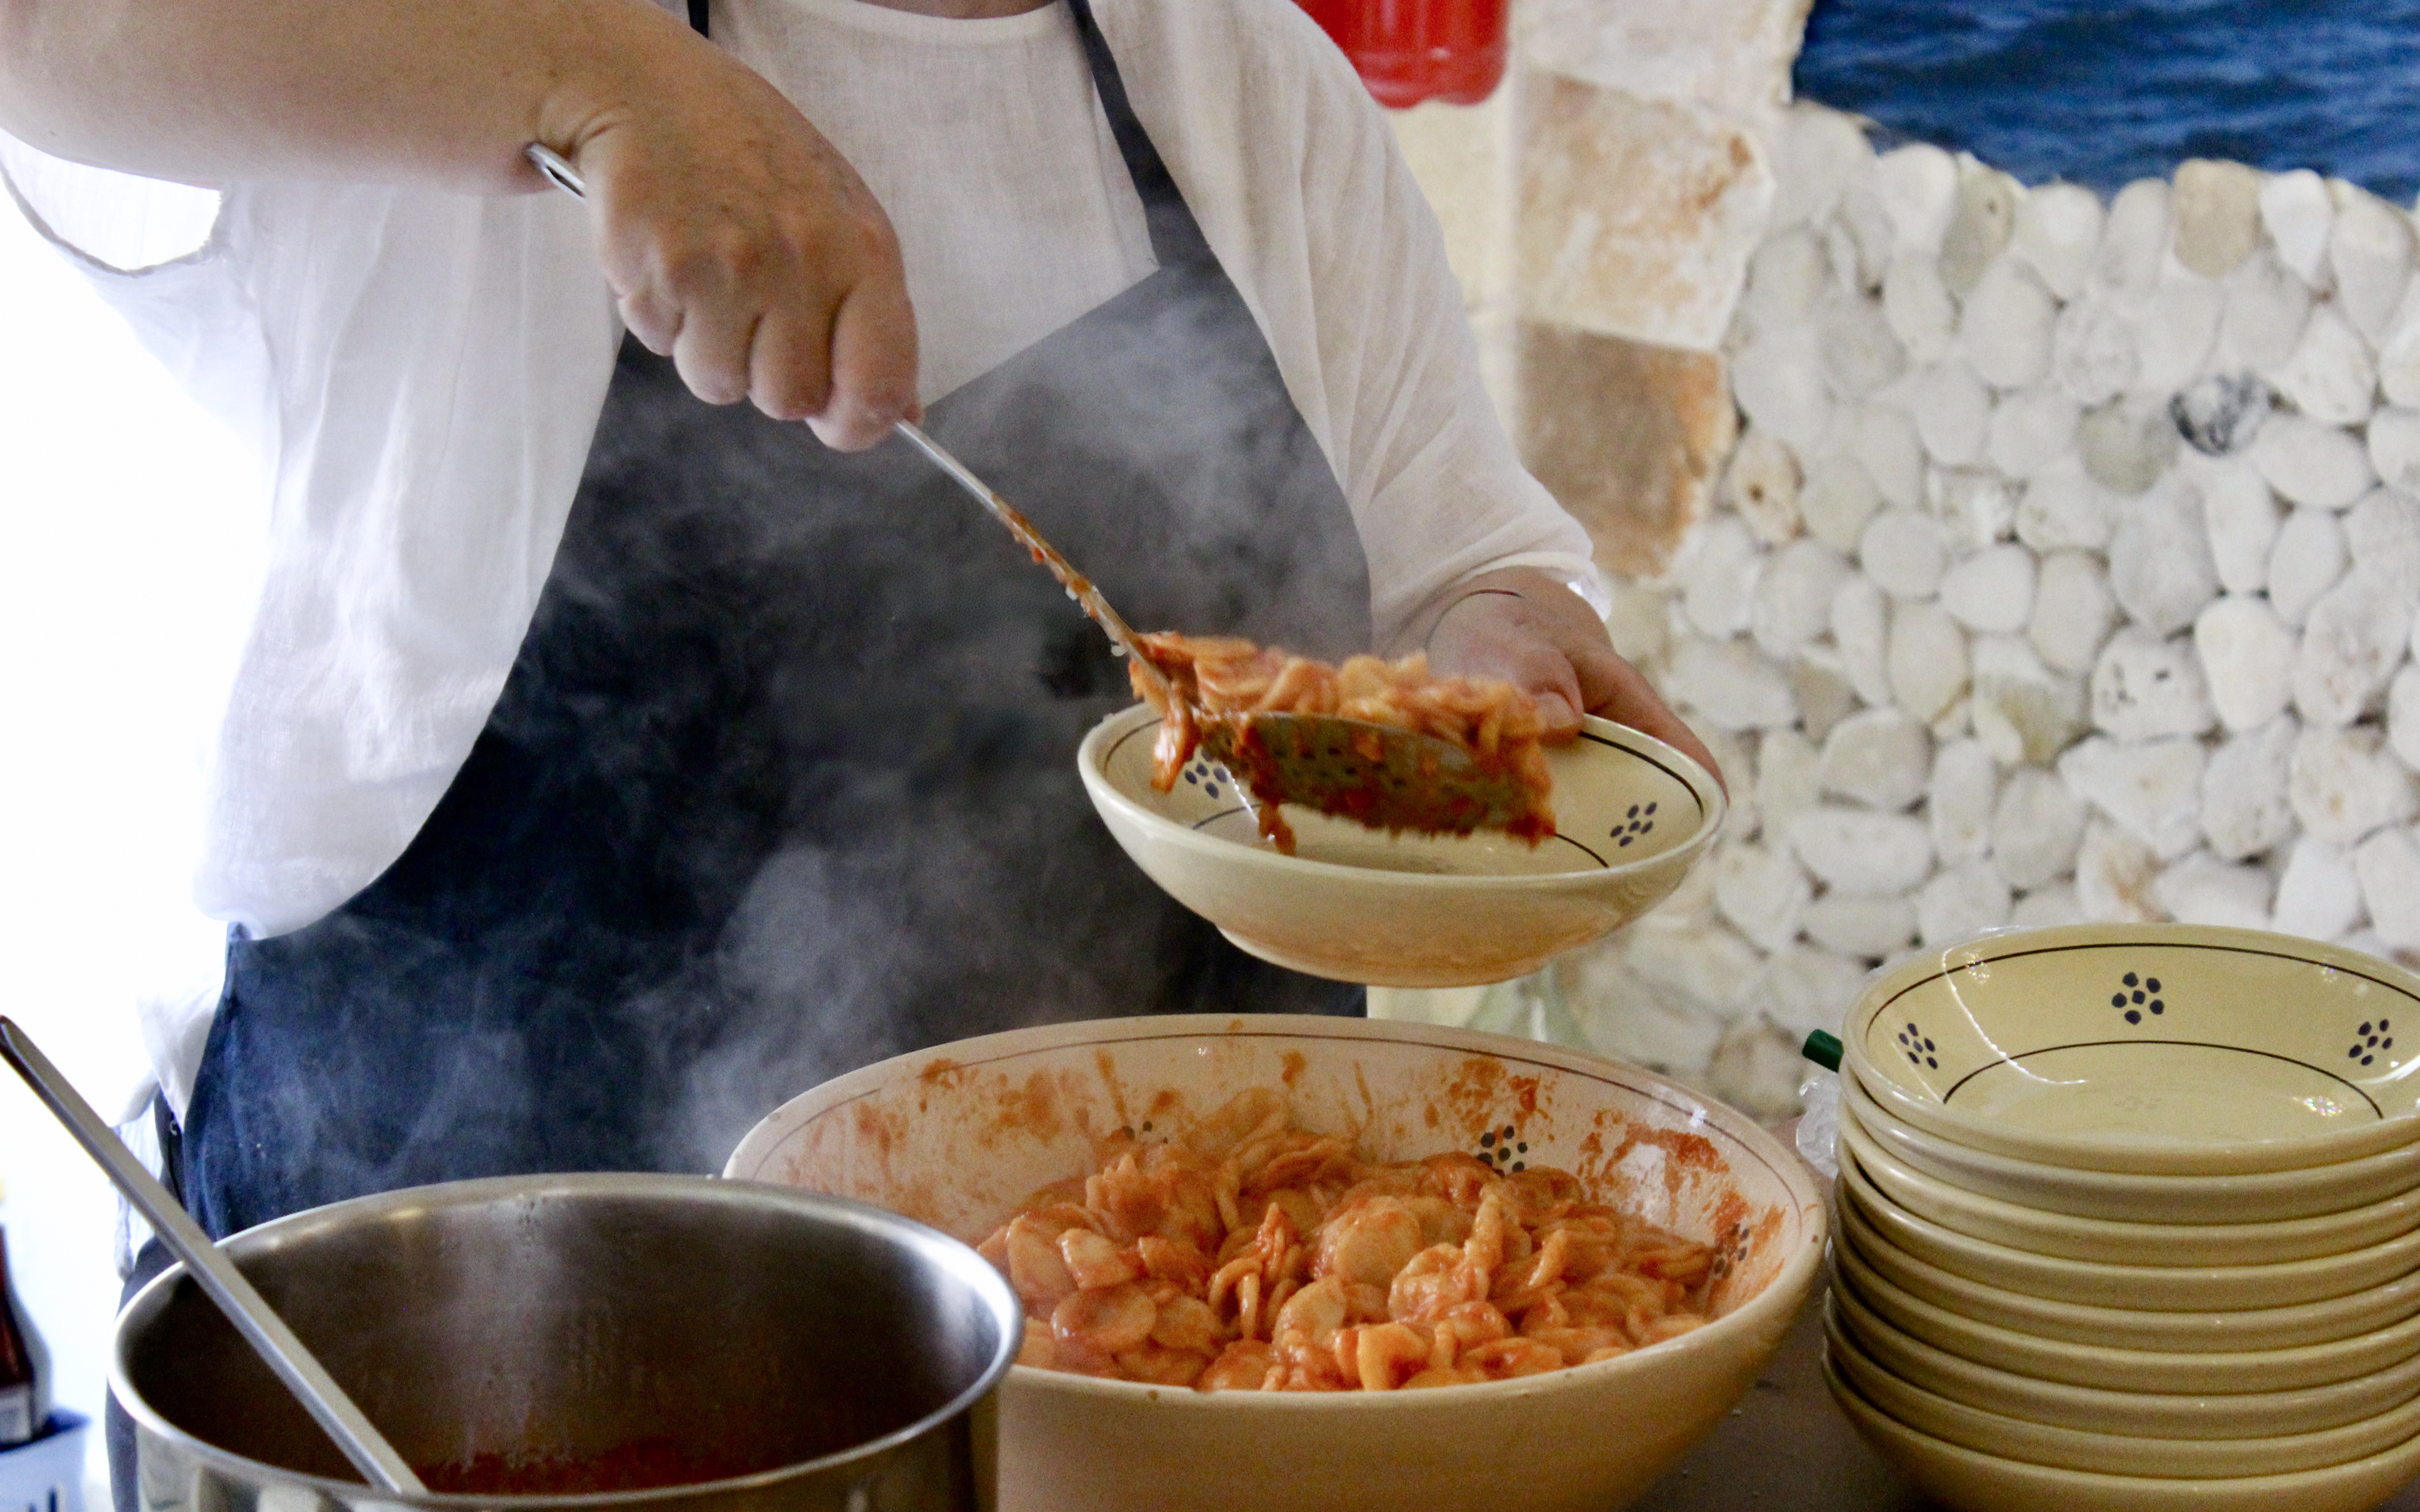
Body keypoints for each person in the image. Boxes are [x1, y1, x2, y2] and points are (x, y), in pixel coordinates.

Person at [0, 0, 1715, 1490]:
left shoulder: (1236, 71)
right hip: (465, 1369)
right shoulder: (425, 47)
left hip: (1174, 1409)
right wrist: (596, 78)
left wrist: (1506, 640)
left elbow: (1462, 568)